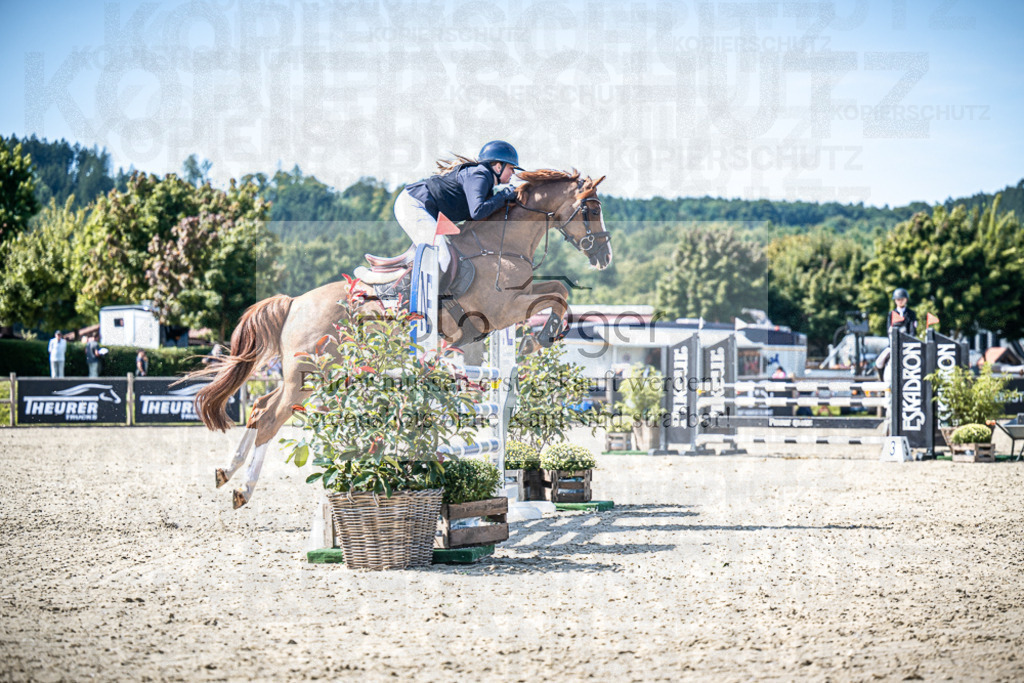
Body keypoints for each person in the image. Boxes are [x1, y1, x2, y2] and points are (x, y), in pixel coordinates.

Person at [395, 140, 521, 293]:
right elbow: (477, 211)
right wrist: (503, 197)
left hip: (420, 206)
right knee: (442, 257)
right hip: (414, 205)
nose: (513, 173)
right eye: (511, 168)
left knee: (447, 255)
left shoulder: (484, 181)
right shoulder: (480, 175)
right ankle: (414, 302)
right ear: (498, 166)